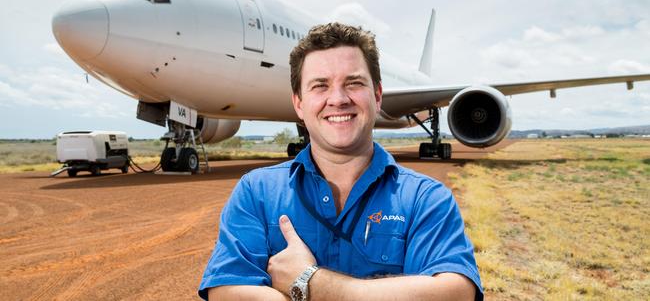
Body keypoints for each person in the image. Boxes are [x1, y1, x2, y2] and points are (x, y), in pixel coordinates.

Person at [198, 23, 483, 301]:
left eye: (354, 83)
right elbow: (225, 290)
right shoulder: (257, 191)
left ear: (378, 95)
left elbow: (456, 293)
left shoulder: (426, 198)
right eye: (320, 86)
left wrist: (309, 283)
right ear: (298, 103)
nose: (338, 98)